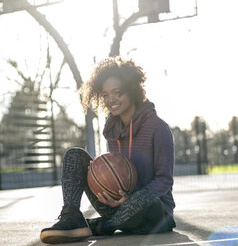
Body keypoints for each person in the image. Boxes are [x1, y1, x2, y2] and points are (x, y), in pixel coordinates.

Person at [40, 56, 176, 244]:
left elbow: (164, 180)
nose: (110, 99)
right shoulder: (113, 130)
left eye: (117, 92)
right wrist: (97, 173)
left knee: (145, 199)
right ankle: (71, 217)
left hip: (153, 213)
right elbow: (117, 173)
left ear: (132, 90)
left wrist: (131, 199)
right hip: (117, 207)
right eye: (105, 94)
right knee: (74, 155)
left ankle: (104, 226)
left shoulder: (158, 128)